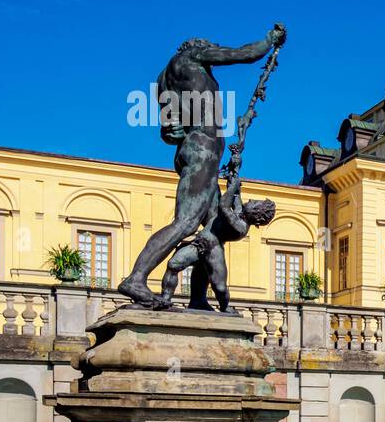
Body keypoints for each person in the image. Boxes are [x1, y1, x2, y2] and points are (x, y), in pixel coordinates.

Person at [117, 23, 285, 306]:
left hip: (195, 151)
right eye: (207, 46)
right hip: (203, 150)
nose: (210, 52)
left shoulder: (164, 79)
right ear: (195, 46)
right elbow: (244, 53)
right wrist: (270, 40)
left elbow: (170, 131)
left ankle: (198, 299)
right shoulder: (193, 56)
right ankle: (136, 278)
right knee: (186, 222)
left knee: (212, 231)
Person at [154, 142, 275, 313]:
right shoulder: (240, 211)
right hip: (199, 243)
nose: (251, 201)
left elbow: (225, 207)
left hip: (213, 250)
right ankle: (165, 299)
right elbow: (236, 192)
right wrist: (235, 164)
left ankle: (226, 307)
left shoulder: (241, 227)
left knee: (219, 287)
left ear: (257, 214)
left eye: (255, 203)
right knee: (174, 264)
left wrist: (232, 188)